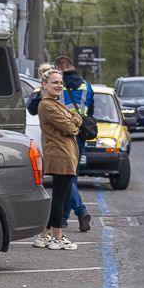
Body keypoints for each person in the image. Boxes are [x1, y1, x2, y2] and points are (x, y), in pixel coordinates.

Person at [34, 69, 83, 251]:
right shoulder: (47, 105)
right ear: (44, 85)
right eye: (55, 82)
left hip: (65, 154)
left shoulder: (55, 103)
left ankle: (43, 235)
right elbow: (70, 126)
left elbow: (73, 120)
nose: (59, 85)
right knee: (60, 198)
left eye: (61, 82)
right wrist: (75, 120)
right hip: (60, 155)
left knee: (61, 196)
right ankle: (57, 237)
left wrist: (74, 119)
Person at [54, 55, 94, 232]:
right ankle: (62, 218)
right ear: (72, 66)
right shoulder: (86, 85)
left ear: (58, 68)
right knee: (73, 175)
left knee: (67, 178)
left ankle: (80, 211)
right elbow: (90, 108)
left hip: (64, 135)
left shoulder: (57, 86)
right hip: (81, 134)